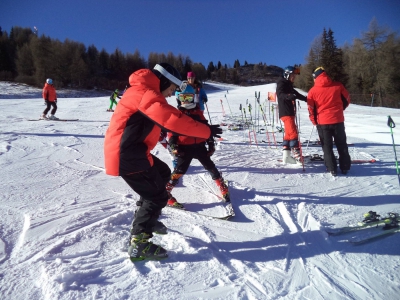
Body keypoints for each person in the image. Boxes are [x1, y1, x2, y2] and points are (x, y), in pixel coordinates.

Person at [103, 63, 222, 261]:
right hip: (126, 154)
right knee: (156, 196)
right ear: (165, 81)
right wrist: (206, 131)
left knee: (162, 173)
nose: (171, 94)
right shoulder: (145, 93)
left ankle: (147, 220)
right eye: (172, 89)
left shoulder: (143, 90)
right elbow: (172, 120)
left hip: (133, 151)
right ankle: (139, 243)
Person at [165, 84, 229, 209]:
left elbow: (207, 129)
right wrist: (173, 145)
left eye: (188, 98)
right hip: (184, 147)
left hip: (199, 146)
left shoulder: (198, 113)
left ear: (193, 98)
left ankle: (221, 185)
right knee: (179, 170)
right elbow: (172, 132)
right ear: (178, 99)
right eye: (183, 98)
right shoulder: (178, 114)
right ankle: (165, 192)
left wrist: (211, 144)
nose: (186, 101)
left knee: (210, 166)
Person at [307, 67, 351, 176]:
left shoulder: (312, 91)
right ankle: (345, 167)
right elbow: (347, 99)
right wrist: (339, 110)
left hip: (323, 123)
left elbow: (311, 108)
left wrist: (314, 121)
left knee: (327, 146)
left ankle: (332, 168)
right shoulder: (338, 85)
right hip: (338, 120)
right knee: (341, 144)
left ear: (315, 77)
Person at [276, 66, 307, 164]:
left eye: (295, 76)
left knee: (288, 134)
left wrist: (306, 99)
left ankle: (286, 156)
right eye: (292, 75)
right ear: (287, 75)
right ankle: (297, 155)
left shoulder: (288, 85)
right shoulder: (282, 83)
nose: (294, 77)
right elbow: (280, 94)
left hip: (288, 112)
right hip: (286, 112)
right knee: (293, 133)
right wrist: (288, 96)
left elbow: (296, 94)